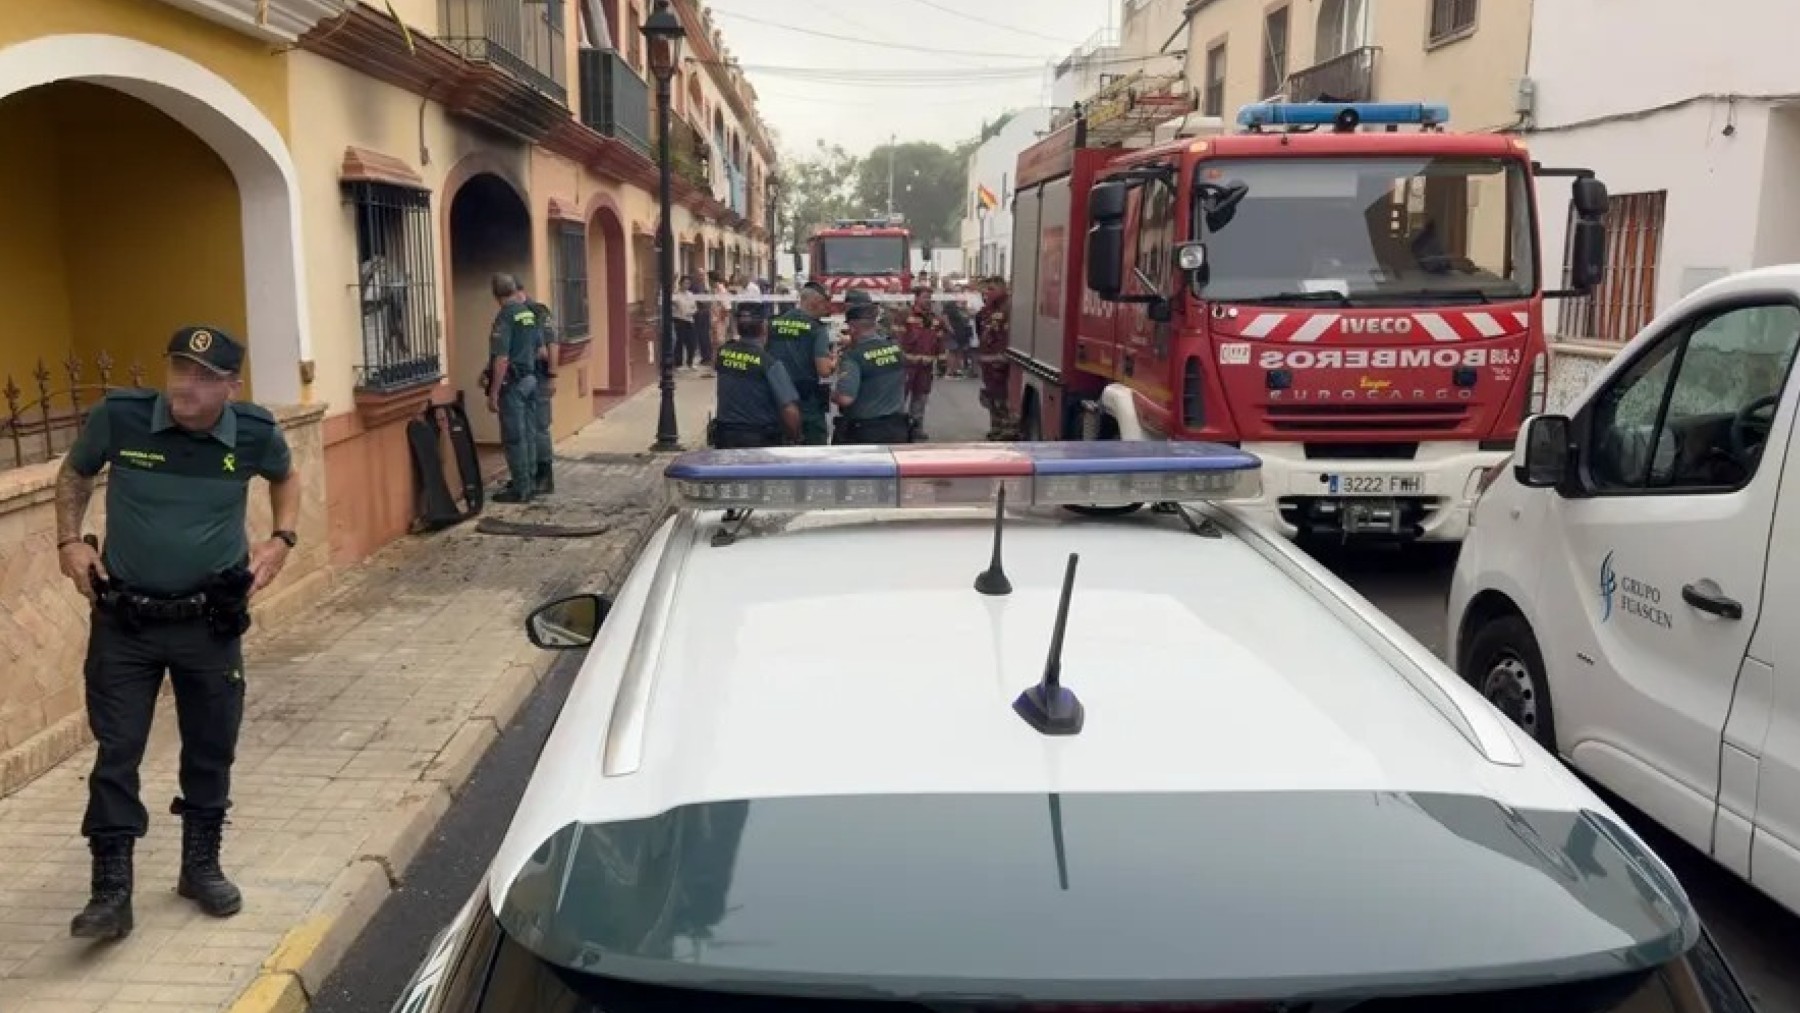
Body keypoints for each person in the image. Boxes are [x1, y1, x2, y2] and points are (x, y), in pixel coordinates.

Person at [54, 325, 303, 940]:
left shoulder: (254, 433)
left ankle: (200, 867)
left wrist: (282, 538)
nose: (184, 385)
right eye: (178, 369)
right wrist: (69, 541)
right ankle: (111, 891)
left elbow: (286, 476)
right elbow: (73, 473)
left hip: (208, 625)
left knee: (211, 746)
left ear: (229, 385)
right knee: (118, 753)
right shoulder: (122, 417)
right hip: (126, 622)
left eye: (202, 376)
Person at [709, 301, 802, 449]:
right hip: (759, 441)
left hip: (725, 438)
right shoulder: (769, 363)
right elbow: (789, 410)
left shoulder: (723, 353)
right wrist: (795, 438)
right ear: (764, 326)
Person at [486, 273, 544, 503]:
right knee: (529, 433)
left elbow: (501, 359)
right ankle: (528, 480)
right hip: (530, 379)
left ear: (497, 295)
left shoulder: (505, 318)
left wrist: (493, 392)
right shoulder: (528, 314)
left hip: (514, 384)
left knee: (514, 437)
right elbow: (541, 352)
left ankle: (520, 489)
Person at [833, 293, 912, 444]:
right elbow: (904, 381)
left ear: (852, 328)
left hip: (864, 432)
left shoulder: (854, 356)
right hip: (897, 429)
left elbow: (845, 399)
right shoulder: (895, 349)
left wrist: (833, 394)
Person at [766, 281, 839, 445]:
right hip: (806, 401)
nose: (828, 308)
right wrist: (835, 360)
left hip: (776, 398)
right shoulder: (817, 329)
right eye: (825, 303)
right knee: (815, 451)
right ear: (814, 302)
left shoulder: (774, 324)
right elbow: (824, 371)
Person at [521, 281, 558, 496]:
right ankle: (529, 474)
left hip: (540, 376)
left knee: (539, 428)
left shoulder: (539, 312)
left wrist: (552, 375)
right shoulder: (515, 314)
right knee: (526, 429)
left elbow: (552, 346)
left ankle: (544, 476)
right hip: (524, 379)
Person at [898, 285, 947, 440]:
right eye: (925, 297)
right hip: (906, 367)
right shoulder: (904, 315)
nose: (928, 300)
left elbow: (939, 342)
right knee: (900, 399)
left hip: (925, 368)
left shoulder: (935, 319)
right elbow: (896, 340)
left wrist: (942, 362)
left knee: (920, 399)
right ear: (916, 298)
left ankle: (916, 428)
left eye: (929, 297)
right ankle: (897, 429)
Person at [975, 276, 1018, 440]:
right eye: (986, 289)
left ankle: (1007, 429)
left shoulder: (1009, 308)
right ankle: (996, 427)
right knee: (992, 395)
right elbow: (982, 330)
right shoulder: (987, 310)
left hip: (1001, 360)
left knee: (1002, 396)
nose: (987, 292)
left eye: (991, 289)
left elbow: (1010, 335)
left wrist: (1003, 356)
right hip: (988, 360)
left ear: (1003, 289)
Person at [672, 274, 699, 371]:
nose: (687, 285)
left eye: (688, 283)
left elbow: (695, 307)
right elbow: (673, 304)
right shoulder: (676, 294)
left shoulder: (690, 294)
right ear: (680, 283)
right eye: (685, 283)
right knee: (679, 342)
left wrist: (691, 312)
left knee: (692, 342)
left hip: (689, 320)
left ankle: (690, 362)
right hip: (679, 320)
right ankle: (678, 364)